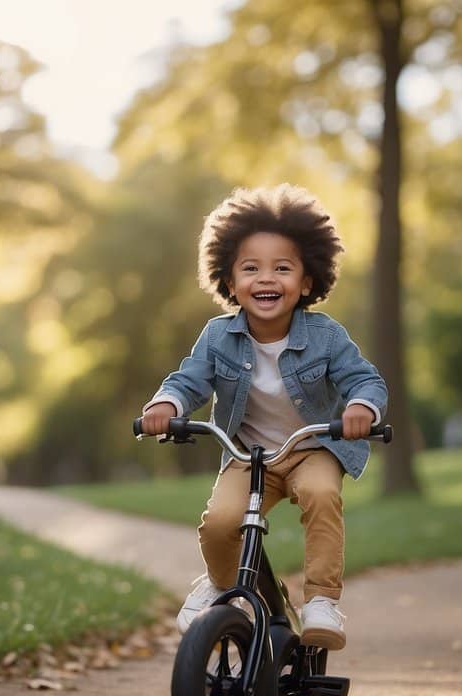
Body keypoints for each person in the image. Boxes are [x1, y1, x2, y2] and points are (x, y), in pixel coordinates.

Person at [140, 184, 388, 650]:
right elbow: (188, 380)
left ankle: (320, 602)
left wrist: (361, 408)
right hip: (249, 455)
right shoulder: (217, 337)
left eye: (282, 268)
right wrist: (166, 405)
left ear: (307, 280)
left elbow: (365, 381)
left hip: (311, 448)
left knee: (320, 494)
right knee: (220, 523)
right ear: (230, 282)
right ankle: (220, 582)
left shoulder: (326, 336)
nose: (266, 278)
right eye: (250, 268)